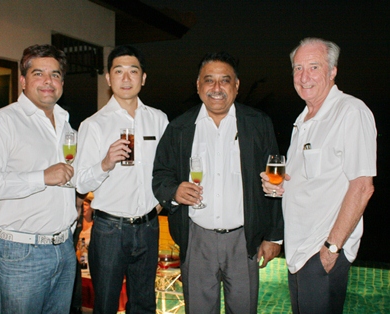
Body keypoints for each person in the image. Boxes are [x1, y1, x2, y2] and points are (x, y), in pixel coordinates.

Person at [152, 52, 284, 314]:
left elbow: (275, 181)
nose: (216, 88)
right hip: (197, 238)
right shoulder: (180, 128)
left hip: (244, 240)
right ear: (198, 86)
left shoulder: (258, 124)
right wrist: (174, 191)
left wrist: (274, 236)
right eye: (209, 80)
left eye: (225, 80)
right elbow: (160, 175)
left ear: (236, 86)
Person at [261, 37, 377, 313]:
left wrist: (331, 250)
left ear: (333, 71)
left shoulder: (350, 112)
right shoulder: (303, 120)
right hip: (299, 251)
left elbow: (362, 187)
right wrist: (279, 187)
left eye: (313, 67)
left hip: (321, 252)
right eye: (298, 68)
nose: (304, 77)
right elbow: (312, 181)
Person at [0, 44, 77, 314]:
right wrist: (41, 177)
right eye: (39, 73)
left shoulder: (66, 124)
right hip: (20, 253)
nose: (48, 81)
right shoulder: (3, 122)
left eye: (55, 74)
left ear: (62, 81)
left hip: (64, 249)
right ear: (23, 80)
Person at [75, 45, 168, 314]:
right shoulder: (94, 124)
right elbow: (81, 183)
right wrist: (105, 163)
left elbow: (168, 169)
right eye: (119, 71)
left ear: (143, 78)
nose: (126, 78)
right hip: (109, 230)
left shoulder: (158, 119)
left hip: (149, 227)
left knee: (144, 303)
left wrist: (160, 202)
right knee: (105, 303)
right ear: (108, 78)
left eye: (133, 71)